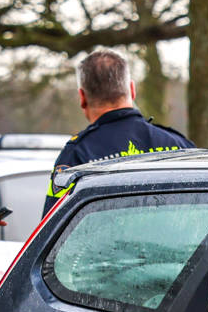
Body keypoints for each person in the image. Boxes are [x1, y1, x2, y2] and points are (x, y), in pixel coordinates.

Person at [44, 50, 194, 213]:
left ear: (82, 97)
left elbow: (53, 227)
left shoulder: (77, 155)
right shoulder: (180, 146)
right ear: (132, 89)